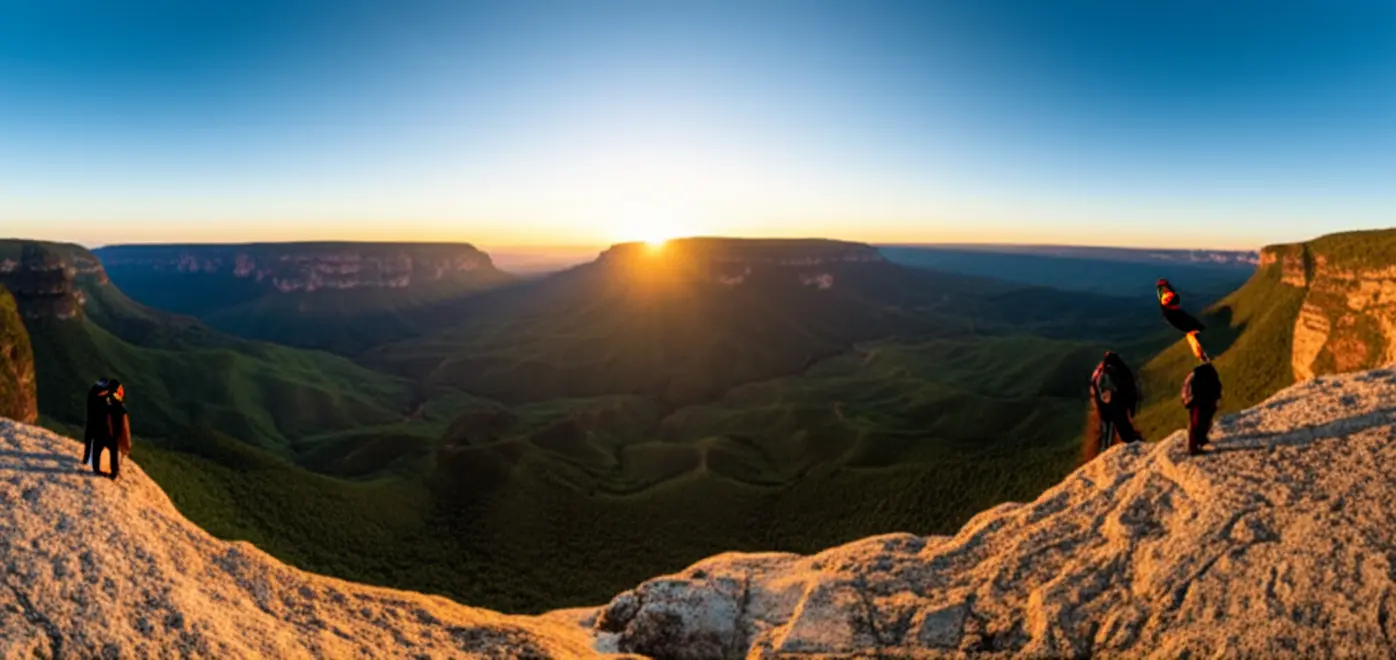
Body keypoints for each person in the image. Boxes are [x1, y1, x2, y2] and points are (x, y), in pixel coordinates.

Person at [1087, 351, 1142, 460]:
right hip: (1117, 407)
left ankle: (1104, 451)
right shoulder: (1121, 372)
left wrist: (1101, 406)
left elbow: (1094, 388)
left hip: (1104, 407)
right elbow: (1130, 389)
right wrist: (1130, 408)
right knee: (1123, 428)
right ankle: (1134, 447)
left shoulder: (1099, 372)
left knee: (1106, 430)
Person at [90, 379, 130, 480]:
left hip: (101, 432)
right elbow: (125, 426)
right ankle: (113, 473)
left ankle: (96, 468)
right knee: (113, 452)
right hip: (112, 435)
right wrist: (126, 441)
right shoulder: (120, 407)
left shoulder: (102, 402)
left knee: (97, 449)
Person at [1182, 361, 1222, 456]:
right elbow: (1217, 388)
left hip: (1198, 401)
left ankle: (1199, 441)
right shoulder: (1208, 375)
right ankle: (1194, 447)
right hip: (1203, 402)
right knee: (1200, 423)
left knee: (1198, 423)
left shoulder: (1195, 376)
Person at [82, 378, 111, 468]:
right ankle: (91, 463)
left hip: (91, 423)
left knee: (89, 442)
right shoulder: (99, 397)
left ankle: (87, 460)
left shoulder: (93, 393)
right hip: (97, 425)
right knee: (95, 445)